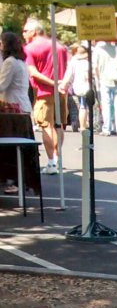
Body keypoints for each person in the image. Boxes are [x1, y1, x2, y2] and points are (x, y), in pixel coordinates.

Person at [22, 17, 68, 175]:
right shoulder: (60, 47)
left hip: (44, 92)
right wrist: (61, 84)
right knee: (59, 125)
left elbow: (33, 72)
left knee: (46, 126)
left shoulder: (29, 48)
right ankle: (57, 158)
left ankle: (51, 162)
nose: (23, 33)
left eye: (25, 31)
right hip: (62, 92)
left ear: (34, 32)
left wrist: (52, 82)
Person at [0, 30, 32, 195]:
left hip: (14, 109)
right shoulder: (20, 61)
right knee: (20, 149)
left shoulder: (10, 62)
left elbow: (1, 86)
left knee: (12, 149)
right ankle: (21, 181)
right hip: (22, 107)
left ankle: (16, 182)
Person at [94, 41, 117, 136]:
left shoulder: (99, 50)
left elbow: (95, 67)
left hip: (104, 80)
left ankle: (106, 129)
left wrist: (98, 78)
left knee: (106, 105)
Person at [60, 41, 91, 132]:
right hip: (87, 86)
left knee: (82, 106)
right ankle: (84, 125)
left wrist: (63, 85)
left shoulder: (73, 61)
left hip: (77, 86)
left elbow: (68, 75)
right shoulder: (88, 62)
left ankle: (83, 125)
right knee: (84, 106)